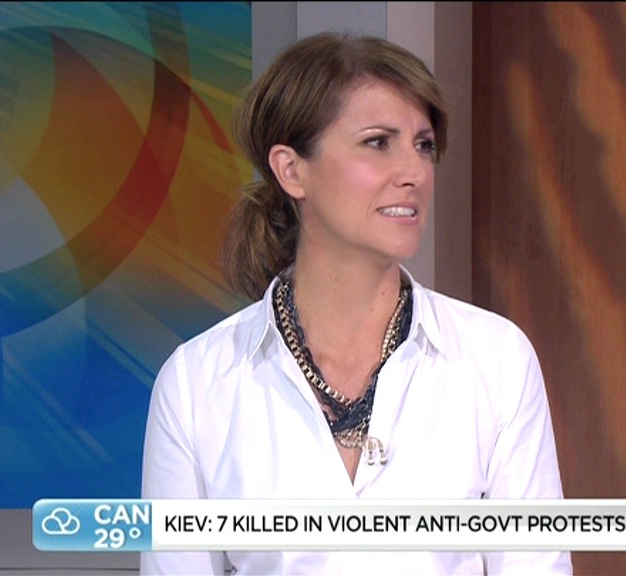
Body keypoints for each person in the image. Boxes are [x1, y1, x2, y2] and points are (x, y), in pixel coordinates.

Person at [140, 31, 573, 576]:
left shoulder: (496, 359)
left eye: (423, 146)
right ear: (291, 170)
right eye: (378, 142)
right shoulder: (196, 384)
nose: (414, 173)